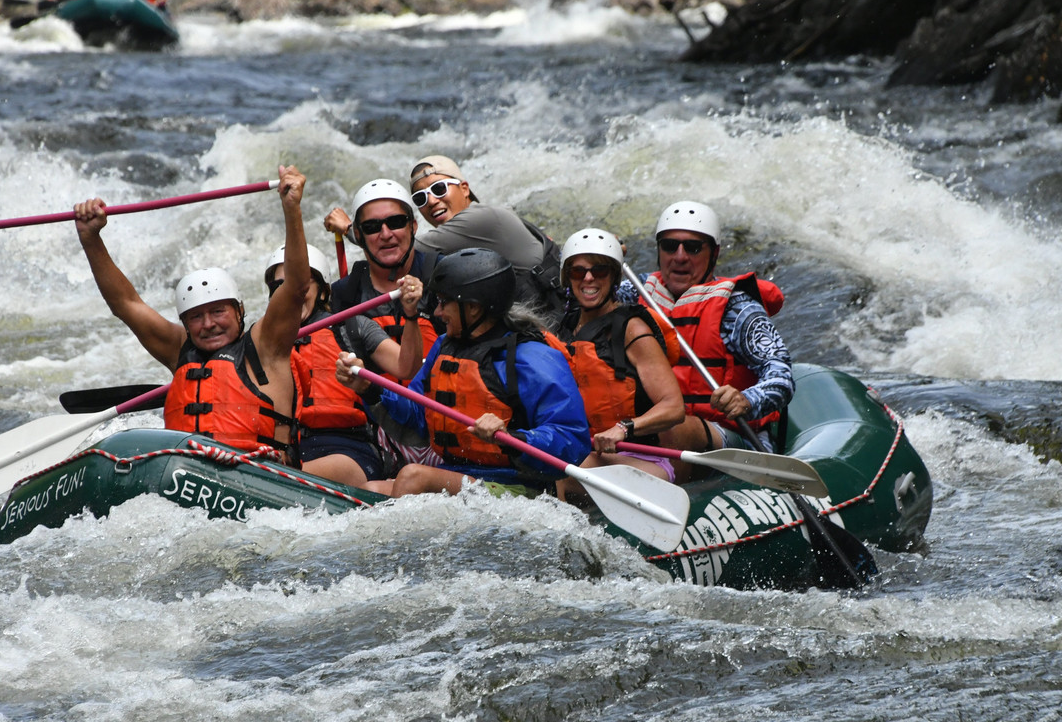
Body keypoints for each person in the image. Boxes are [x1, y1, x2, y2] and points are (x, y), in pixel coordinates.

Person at [73, 165, 311, 458]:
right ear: (185, 323)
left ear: (240, 311)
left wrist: (292, 209)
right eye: (196, 317)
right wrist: (90, 238)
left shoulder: (266, 346)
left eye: (218, 311)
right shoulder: (179, 349)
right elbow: (126, 304)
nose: (208, 324)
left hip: (260, 475)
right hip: (186, 470)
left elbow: (297, 286)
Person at [337, 248, 591, 499]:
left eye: (445, 302)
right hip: (457, 474)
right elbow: (416, 416)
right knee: (371, 491)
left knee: (412, 477)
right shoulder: (445, 346)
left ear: (473, 309)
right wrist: (367, 388)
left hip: (519, 487)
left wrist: (514, 437)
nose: (437, 312)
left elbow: (573, 439)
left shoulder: (533, 358)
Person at [639, 201, 794, 472]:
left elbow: (780, 373)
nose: (680, 256)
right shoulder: (635, 293)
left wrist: (747, 399)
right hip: (649, 432)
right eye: (669, 245)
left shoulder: (738, 308)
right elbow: (580, 289)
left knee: (673, 427)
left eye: (693, 247)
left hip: (733, 441)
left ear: (714, 253)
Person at [263, 242, 424, 487]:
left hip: (350, 453)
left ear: (324, 291)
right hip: (286, 451)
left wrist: (411, 314)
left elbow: (407, 367)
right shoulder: (261, 341)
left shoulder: (352, 327)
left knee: (293, 470)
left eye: (302, 284)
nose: (292, 292)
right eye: (281, 286)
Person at [554, 229, 685, 499]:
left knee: (556, 471)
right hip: (588, 456)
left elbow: (673, 408)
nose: (588, 278)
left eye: (599, 271)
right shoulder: (564, 330)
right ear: (567, 277)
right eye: (578, 271)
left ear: (613, 276)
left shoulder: (631, 330)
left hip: (643, 463)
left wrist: (624, 428)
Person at [324, 178, 445, 471]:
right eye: (372, 228)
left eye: (396, 222)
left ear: (414, 226)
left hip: (439, 423)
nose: (386, 234)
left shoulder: (442, 276)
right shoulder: (345, 293)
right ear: (359, 235)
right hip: (379, 426)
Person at [408, 154, 565, 317]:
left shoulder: (479, 220)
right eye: (421, 198)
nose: (431, 201)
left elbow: (404, 251)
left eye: (439, 188)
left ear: (464, 188)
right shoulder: (488, 214)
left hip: (552, 319)